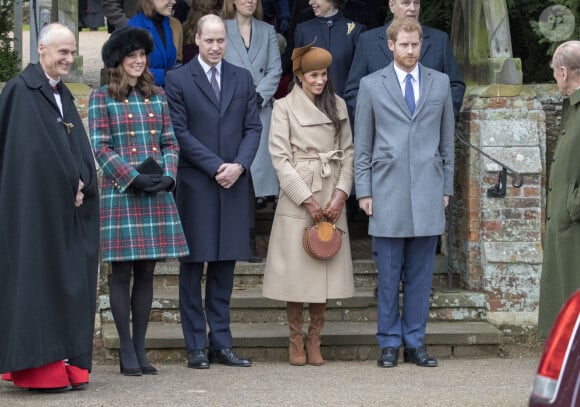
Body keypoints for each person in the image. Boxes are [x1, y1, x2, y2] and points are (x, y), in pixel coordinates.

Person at [0, 23, 100, 391]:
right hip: (35, 214)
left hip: (68, 213)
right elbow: (25, 156)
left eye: (72, 52)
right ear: (41, 49)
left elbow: (75, 149)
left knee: (69, 282)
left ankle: (69, 364)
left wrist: (83, 185)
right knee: (38, 284)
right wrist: (62, 186)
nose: (69, 59)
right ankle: (38, 369)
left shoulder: (62, 94)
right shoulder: (20, 92)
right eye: (63, 52)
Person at [89, 26, 190, 376]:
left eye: (142, 55)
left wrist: (168, 175)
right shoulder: (101, 97)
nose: (138, 61)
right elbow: (100, 147)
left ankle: (141, 348)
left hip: (155, 193)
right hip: (121, 194)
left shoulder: (157, 96)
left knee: (147, 272)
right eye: (131, 56)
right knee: (121, 274)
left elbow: (170, 143)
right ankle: (126, 350)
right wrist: (132, 177)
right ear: (118, 61)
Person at [354, 18, 454, 368]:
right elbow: (362, 144)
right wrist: (363, 189)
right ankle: (388, 342)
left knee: (420, 276)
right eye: (405, 45)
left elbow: (447, 143)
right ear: (391, 45)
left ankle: (415, 342)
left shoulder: (440, 83)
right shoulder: (370, 85)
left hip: (428, 189)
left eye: (416, 44)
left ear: (422, 44)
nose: (411, 51)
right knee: (388, 276)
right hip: (386, 190)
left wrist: (446, 187)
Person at [165, 14, 261, 369]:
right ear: (197, 39)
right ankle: (195, 346)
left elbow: (253, 127)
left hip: (234, 183)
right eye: (210, 41)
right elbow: (179, 131)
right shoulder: (177, 79)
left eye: (221, 40)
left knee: (224, 268)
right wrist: (216, 166)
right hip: (196, 184)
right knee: (192, 268)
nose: (217, 47)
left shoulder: (242, 77)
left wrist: (238, 165)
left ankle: (221, 342)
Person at [262, 43, 354, 366]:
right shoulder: (283, 107)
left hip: (331, 190)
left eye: (324, 74)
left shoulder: (337, 104)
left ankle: (315, 338)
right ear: (299, 75)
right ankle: (295, 340)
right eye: (313, 74)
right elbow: (279, 157)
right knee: (297, 274)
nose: (320, 80)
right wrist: (308, 200)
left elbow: (349, 152)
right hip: (299, 193)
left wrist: (341, 193)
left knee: (323, 268)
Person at [222, 0, 283, 260]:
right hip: (229, 111)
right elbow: (216, 65)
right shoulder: (221, 28)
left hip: (260, 110)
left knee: (258, 180)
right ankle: (236, 243)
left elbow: (275, 70)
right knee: (234, 177)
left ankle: (254, 243)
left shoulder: (267, 31)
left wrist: (259, 95)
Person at [344, 0, 465, 119]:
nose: (412, 8)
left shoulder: (439, 40)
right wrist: (375, 119)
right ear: (392, 5)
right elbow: (354, 91)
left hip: (428, 131)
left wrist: (439, 117)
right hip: (383, 134)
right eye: (406, 3)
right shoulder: (368, 41)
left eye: (416, 3)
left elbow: (455, 85)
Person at [538, 40, 580, 340]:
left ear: (564, 72)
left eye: (554, 71)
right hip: (566, 223)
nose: (555, 77)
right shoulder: (572, 107)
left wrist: (573, 204)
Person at [294, 0, 366, 97]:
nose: (310, 2)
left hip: (345, 106)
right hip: (311, 107)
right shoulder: (303, 30)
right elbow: (298, 76)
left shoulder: (356, 31)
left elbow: (359, 77)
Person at [127, 0, 179, 86]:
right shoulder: (134, 27)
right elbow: (132, 70)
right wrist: (167, 75)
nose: (174, 2)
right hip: (144, 95)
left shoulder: (166, 23)